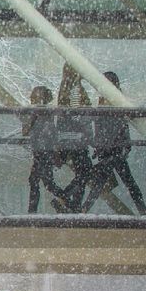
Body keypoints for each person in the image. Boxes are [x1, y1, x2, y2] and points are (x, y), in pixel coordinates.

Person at [80, 71, 146, 215]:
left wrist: (97, 143)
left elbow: (99, 125)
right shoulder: (117, 102)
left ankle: (84, 209)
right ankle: (143, 210)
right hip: (115, 147)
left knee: (102, 182)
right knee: (126, 181)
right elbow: (121, 125)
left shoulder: (106, 103)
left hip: (109, 148)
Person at [52, 64, 93, 212]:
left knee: (82, 172)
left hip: (67, 139)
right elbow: (79, 115)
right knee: (85, 172)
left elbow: (64, 117)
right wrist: (88, 134)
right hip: (77, 139)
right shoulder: (76, 89)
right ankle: (65, 198)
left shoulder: (64, 88)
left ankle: (72, 205)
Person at [22, 85, 68, 214]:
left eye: (39, 97)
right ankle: (65, 199)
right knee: (45, 182)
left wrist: (55, 152)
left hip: (45, 152)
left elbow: (49, 134)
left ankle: (32, 212)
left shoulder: (47, 114)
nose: (37, 100)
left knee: (37, 181)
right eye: (36, 97)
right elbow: (26, 131)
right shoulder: (37, 114)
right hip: (41, 152)